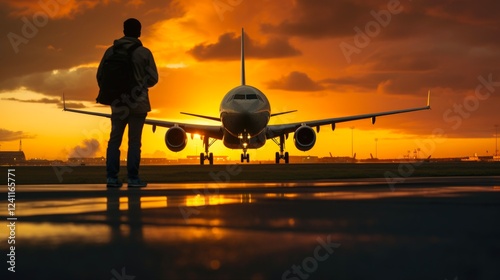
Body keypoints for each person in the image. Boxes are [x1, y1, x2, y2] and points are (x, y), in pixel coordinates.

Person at [97, 18, 158, 188]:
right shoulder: (144, 53)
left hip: (118, 103)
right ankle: (133, 178)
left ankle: (111, 177)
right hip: (138, 103)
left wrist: (114, 92)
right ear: (139, 31)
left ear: (123, 30)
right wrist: (141, 85)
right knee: (134, 142)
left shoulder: (110, 52)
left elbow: (100, 76)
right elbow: (154, 78)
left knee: (114, 140)